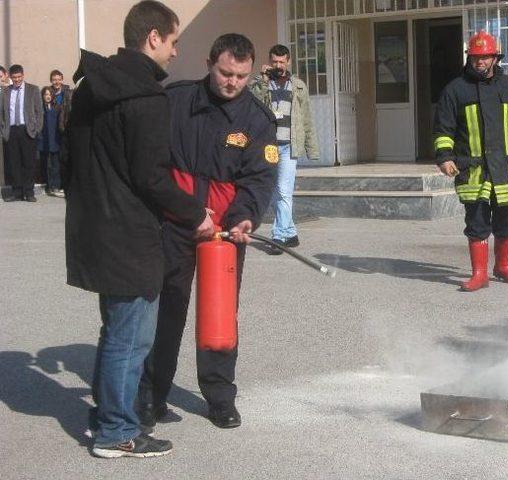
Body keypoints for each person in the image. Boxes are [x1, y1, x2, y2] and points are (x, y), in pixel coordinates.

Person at [65, 0, 215, 459]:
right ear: (153, 38)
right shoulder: (146, 98)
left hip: (95, 228)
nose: (174, 53)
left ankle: (106, 417)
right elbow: (153, 178)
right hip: (129, 235)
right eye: (173, 42)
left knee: (116, 332)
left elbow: (69, 161)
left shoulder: (93, 87)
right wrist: (197, 215)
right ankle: (116, 431)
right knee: (131, 337)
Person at [138, 33, 277, 432]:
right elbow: (154, 162)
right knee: (167, 309)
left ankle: (219, 398)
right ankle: (152, 394)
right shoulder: (175, 101)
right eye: (226, 73)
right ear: (209, 62)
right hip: (176, 223)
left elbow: (259, 180)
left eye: (242, 76)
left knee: (220, 316)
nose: (232, 82)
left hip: (225, 234)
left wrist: (246, 217)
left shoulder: (257, 119)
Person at [433, 31, 508, 291]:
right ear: (470, 58)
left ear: (495, 58)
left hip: (505, 170)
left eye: (485, 57)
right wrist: (444, 158)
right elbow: (443, 130)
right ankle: (480, 274)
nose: (480, 62)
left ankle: (503, 267)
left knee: (507, 222)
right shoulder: (455, 90)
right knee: (477, 223)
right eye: (476, 57)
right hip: (473, 171)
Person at [250, 44, 319, 254]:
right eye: (274, 62)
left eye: (282, 62)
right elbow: (253, 104)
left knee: (283, 191)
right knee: (276, 191)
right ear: (270, 61)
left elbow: (306, 117)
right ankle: (290, 232)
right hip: (269, 146)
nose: (278, 65)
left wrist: (311, 148)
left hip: (289, 146)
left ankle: (278, 237)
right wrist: (263, 80)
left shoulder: (297, 86)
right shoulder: (261, 83)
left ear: (288, 62)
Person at [1, 64, 43, 202]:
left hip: (27, 130)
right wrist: (3, 130)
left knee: (29, 162)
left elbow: (39, 111)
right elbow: (2, 113)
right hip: (11, 130)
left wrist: (37, 129)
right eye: (14, 78)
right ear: (10, 77)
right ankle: (17, 192)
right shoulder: (6, 92)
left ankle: (29, 192)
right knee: (14, 163)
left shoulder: (33, 89)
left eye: (19, 77)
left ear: (23, 75)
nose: (17, 80)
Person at [38, 86, 64, 197]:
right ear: (42, 96)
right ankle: (48, 186)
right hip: (43, 140)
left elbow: (61, 124)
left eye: (49, 94)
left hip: (55, 140)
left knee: (55, 165)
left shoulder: (57, 108)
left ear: (52, 96)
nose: (47, 96)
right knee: (45, 165)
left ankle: (56, 186)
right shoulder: (40, 108)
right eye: (45, 94)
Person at [50, 69, 73, 193]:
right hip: (53, 129)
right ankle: (55, 184)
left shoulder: (68, 92)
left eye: (58, 79)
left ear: (62, 79)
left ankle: (66, 183)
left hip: (64, 129)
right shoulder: (49, 92)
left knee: (64, 157)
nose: (56, 82)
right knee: (54, 158)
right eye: (54, 80)